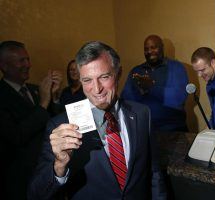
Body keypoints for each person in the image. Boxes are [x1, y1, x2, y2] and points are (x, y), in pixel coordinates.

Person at [28, 41, 167, 200]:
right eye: (87, 80)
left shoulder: (142, 113)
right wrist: (59, 165)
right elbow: (35, 195)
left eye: (104, 77)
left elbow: (154, 172)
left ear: (118, 73)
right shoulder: (60, 126)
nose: (97, 89)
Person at [0, 41, 63, 200]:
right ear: (4, 66)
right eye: (21, 60)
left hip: (48, 173)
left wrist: (54, 97)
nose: (28, 65)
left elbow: (54, 123)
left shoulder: (36, 89)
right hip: (20, 181)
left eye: (27, 59)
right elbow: (16, 136)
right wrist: (43, 103)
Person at [121, 34, 189, 132]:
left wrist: (151, 88)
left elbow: (179, 98)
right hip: (144, 130)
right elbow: (126, 100)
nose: (149, 52)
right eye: (146, 49)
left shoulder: (176, 68)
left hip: (173, 130)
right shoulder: (136, 71)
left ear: (162, 48)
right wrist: (141, 90)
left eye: (153, 47)